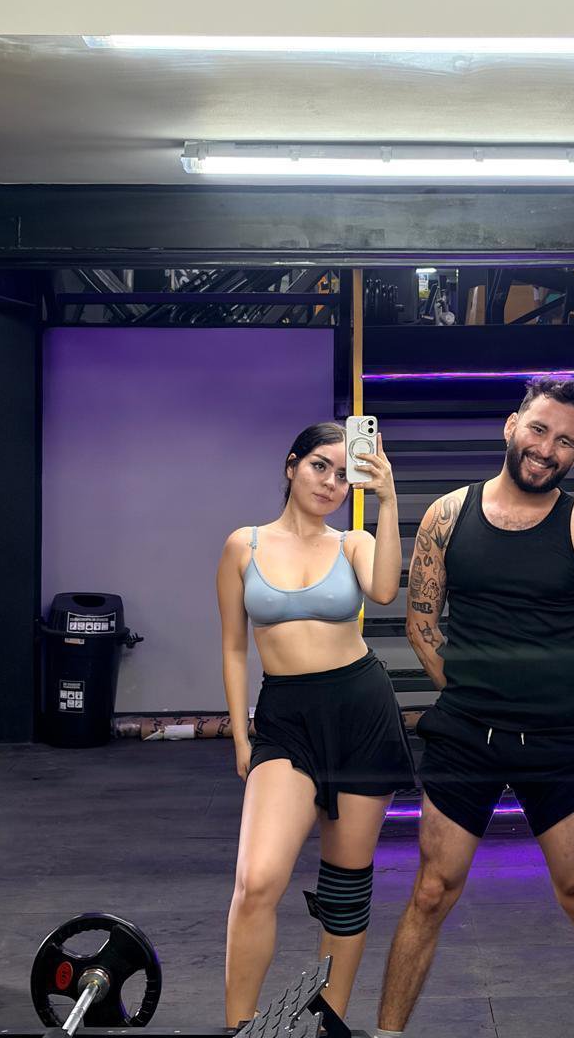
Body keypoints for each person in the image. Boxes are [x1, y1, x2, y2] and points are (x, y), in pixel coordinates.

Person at [375, 375, 574, 1038]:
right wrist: (471, 690)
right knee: (430, 893)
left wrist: (555, 698)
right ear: (511, 425)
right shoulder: (446, 515)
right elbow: (421, 623)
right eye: (539, 429)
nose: (547, 448)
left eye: (566, 441)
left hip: (556, 740)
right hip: (465, 735)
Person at [217, 422, 416, 1027]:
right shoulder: (244, 546)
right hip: (286, 719)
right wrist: (241, 734)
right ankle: (240, 1026)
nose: (330, 482)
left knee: (345, 886)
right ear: (291, 466)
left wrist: (388, 499)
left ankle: (328, 1023)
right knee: (257, 880)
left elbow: (385, 590)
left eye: (342, 474)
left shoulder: (353, 543)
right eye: (318, 466)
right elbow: (234, 648)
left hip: (361, 712)